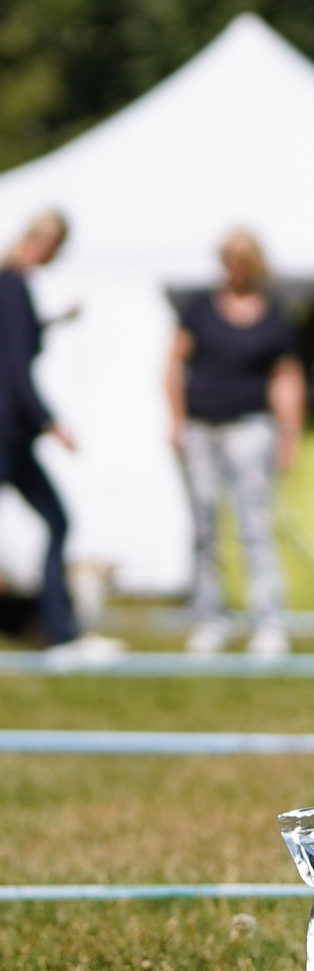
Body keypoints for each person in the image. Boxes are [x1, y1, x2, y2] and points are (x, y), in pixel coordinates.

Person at [166, 229, 304, 656]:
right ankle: (210, 617)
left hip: (250, 426)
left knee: (255, 525)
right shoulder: (201, 310)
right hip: (202, 426)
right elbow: (174, 362)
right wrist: (176, 421)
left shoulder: (274, 314)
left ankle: (268, 620)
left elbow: (287, 378)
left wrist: (289, 434)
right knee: (205, 524)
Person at [0, 212, 112, 659]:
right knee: (57, 520)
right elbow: (13, 368)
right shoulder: (11, 284)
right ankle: (59, 630)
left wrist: (52, 323)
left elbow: (14, 344)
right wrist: (50, 421)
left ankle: (59, 629)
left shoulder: (13, 287)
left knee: (57, 520)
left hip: (14, 433)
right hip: (7, 430)